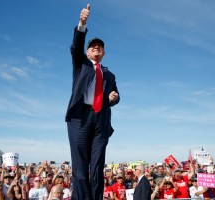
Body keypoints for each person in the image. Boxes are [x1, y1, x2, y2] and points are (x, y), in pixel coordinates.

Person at [65, 3, 120, 200]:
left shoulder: (110, 75)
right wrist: (82, 23)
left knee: (97, 166)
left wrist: (113, 98)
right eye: (93, 46)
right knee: (80, 167)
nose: (96, 48)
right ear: (88, 52)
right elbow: (76, 46)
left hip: (101, 119)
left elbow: (115, 95)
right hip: (80, 118)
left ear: (103, 53)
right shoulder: (82, 64)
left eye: (100, 47)